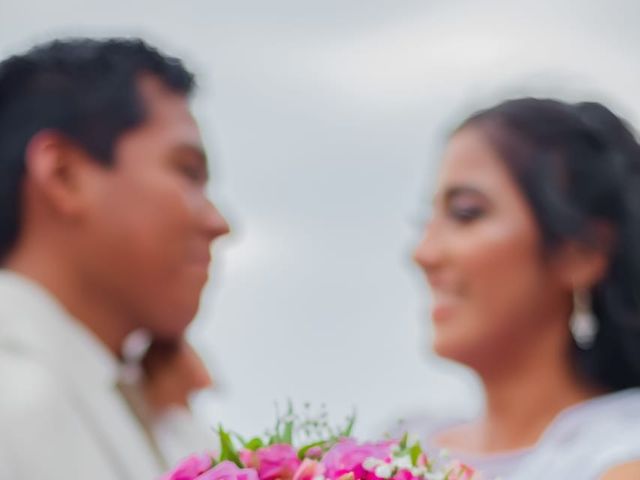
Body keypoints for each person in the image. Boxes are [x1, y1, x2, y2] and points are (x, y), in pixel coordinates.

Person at [0, 38, 230, 478]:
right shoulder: (16, 395)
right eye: (187, 172)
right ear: (64, 176)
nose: (219, 223)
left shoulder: (142, 400)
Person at [410, 98, 640, 479]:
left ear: (581, 252)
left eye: (466, 214)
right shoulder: (409, 442)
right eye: (426, 221)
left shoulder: (620, 456)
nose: (424, 254)